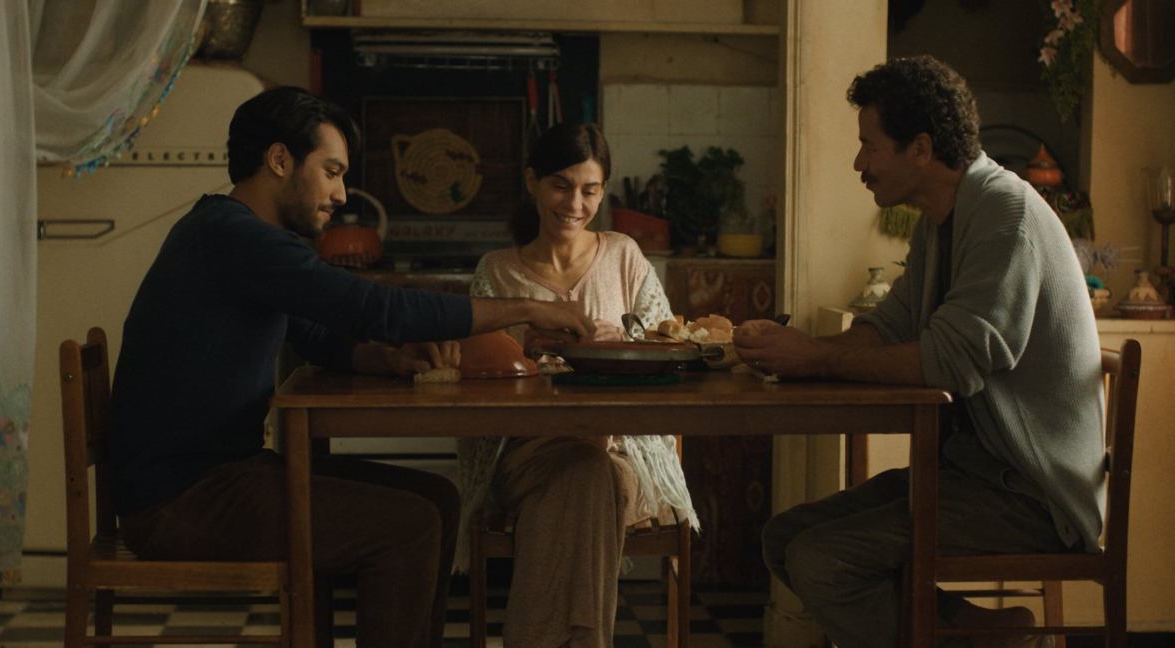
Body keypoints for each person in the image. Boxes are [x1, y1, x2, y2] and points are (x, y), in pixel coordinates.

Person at [108, 87, 595, 648]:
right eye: (332, 171)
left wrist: (388, 358)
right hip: (183, 502)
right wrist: (529, 306)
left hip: (221, 478)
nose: (341, 194)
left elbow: (316, 335)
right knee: (407, 528)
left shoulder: (241, 236)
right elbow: (376, 307)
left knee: (440, 500)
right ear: (279, 160)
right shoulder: (233, 236)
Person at [733, 56, 1104, 648]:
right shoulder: (942, 221)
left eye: (869, 146)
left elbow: (950, 361)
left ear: (922, 149)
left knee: (824, 560)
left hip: (1031, 495)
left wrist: (816, 358)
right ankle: (988, 634)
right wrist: (797, 350)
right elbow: (890, 326)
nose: (858, 163)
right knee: (785, 539)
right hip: (973, 477)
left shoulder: (1005, 213)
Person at [457, 122, 699, 648]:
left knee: (592, 472)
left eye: (590, 190)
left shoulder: (624, 256)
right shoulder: (497, 272)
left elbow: (669, 344)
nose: (575, 203)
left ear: (604, 190)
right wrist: (528, 350)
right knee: (590, 477)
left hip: (621, 449)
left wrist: (619, 344)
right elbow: (474, 376)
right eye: (560, 186)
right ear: (532, 183)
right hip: (525, 453)